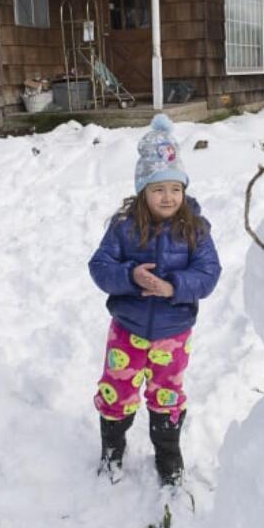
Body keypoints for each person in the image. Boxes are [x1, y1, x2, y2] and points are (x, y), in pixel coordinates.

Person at [88, 114, 221, 486]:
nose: (168, 197)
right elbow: (99, 267)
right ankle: (112, 448)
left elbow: (209, 274)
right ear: (143, 191)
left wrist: (174, 286)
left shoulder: (195, 229)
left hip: (173, 332)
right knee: (117, 391)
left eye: (175, 189)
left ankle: (168, 454)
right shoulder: (124, 227)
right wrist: (130, 276)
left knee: (167, 394)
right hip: (127, 331)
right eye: (158, 189)